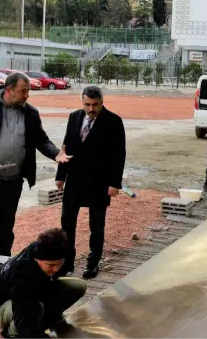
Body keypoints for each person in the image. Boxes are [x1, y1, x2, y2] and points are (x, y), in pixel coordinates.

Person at [0, 72, 70, 293]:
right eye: (23, 91)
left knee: (5, 231)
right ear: (8, 90)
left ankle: (1, 279)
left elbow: (41, 139)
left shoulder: (30, 113)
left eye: (28, 91)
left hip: (12, 184)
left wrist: (56, 154)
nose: (27, 95)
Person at [55, 86, 126, 279]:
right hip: (75, 181)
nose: (91, 108)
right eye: (87, 104)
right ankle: (68, 262)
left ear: (102, 102)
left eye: (95, 104)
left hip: (99, 183)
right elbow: (66, 147)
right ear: (82, 102)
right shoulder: (74, 117)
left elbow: (118, 156)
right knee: (67, 224)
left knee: (97, 225)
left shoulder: (114, 122)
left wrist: (115, 183)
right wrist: (60, 176)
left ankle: (93, 263)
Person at [0, 228, 87, 339]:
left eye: (59, 263)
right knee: (35, 308)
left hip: (29, 293)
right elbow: (23, 313)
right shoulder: (22, 274)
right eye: (51, 265)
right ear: (37, 260)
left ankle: (50, 318)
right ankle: (11, 333)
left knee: (78, 287)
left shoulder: (43, 248)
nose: (56, 269)